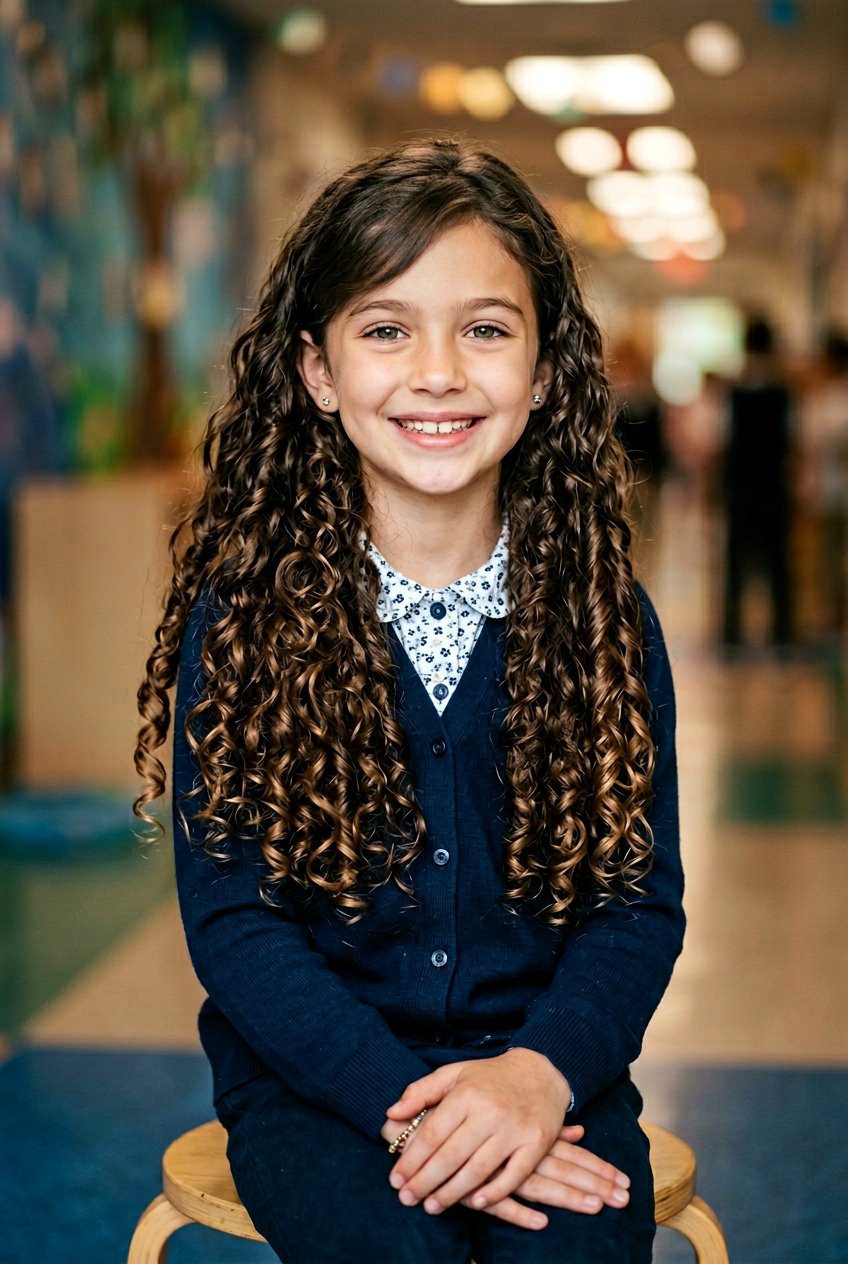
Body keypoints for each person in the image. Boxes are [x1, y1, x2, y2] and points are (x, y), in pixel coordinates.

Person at [135, 138, 685, 1264]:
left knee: (571, 1251)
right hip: (315, 1082)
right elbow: (235, 924)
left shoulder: (600, 617)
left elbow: (636, 910)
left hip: (545, 1068)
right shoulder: (246, 621)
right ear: (317, 372)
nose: (436, 371)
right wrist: (416, 1101)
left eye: (484, 329)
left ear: (541, 374)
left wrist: (533, 1079)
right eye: (386, 329)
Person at [721, 315, 794, 649]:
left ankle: (733, 632)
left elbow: (722, 442)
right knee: (777, 562)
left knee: (737, 563)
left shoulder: (734, 394)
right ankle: (781, 631)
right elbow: (794, 441)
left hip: (740, 487)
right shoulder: (785, 394)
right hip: (774, 486)